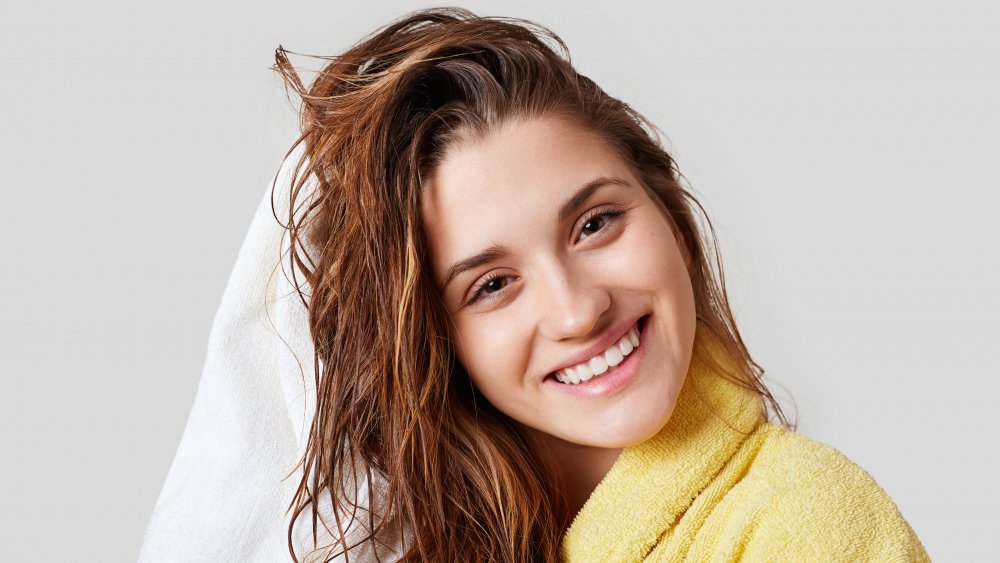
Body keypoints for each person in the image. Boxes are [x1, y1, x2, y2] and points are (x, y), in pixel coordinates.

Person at [143, 7, 928, 562]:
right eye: (491, 284)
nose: (578, 308)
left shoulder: (807, 529)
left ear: (668, 211)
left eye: (595, 224)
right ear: (437, 342)